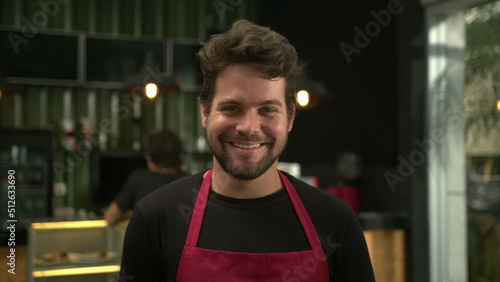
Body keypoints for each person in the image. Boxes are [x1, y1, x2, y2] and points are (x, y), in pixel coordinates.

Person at [120, 19, 375, 281]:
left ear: (289, 119)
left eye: (268, 110)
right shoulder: (155, 218)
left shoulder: (336, 222)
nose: (249, 127)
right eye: (231, 108)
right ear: (205, 113)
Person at [104, 128, 186, 225]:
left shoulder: (139, 179)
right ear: (180, 158)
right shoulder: (192, 182)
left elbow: (110, 218)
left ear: (149, 159)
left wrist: (133, 214)